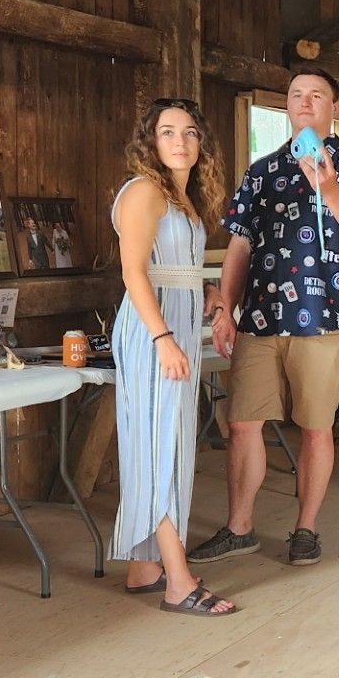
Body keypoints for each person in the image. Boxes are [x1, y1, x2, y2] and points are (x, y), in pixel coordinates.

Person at [193, 67, 339, 569]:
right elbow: (239, 244)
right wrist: (226, 311)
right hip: (259, 320)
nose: (304, 102)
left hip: (324, 321)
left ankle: (306, 529)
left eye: (316, 95)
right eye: (296, 95)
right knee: (242, 424)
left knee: (316, 428)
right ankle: (239, 528)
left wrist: (330, 188)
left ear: (333, 108)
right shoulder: (261, 171)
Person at [110, 97, 236, 616]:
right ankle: (178, 582)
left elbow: (173, 267)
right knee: (161, 448)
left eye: (189, 132)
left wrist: (203, 293)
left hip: (175, 328)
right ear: (151, 141)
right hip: (153, 336)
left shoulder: (179, 198)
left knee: (167, 444)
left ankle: (145, 566)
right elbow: (134, 272)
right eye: (167, 132)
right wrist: (164, 338)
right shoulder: (144, 191)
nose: (180, 141)